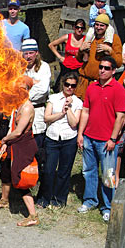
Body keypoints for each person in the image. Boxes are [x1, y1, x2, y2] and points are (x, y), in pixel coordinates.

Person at [77, 56, 125, 221]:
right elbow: (85, 111)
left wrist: (113, 139)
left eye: (106, 68)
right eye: (101, 67)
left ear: (113, 71)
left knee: (108, 174)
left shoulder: (118, 89)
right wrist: (80, 134)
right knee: (88, 171)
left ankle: (107, 206)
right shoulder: (92, 87)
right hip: (89, 137)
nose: (102, 70)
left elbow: (120, 117)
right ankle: (90, 200)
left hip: (107, 141)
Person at [0, 76, 39, 227]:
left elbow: (18, 132)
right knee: (5, 171)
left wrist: (4, 140)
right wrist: (6, 144)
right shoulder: (17, 105)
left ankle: (33, 216)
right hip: (14, 144)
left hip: (23, 145)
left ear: (28, 90)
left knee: (21, 179)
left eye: (23, 88)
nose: (19, 90)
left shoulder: (28, 107)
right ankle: (4, 200)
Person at [37, 72, 82, 208]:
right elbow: (47, 118)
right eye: (67, 84)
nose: (69, 88)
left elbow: (74, 123)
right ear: (63, 84)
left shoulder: (78, 102)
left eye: (72, 86)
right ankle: (44, 198)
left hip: (69, 139)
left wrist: (68, 109)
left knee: (64, 171)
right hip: (52, 138)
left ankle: (59, 200)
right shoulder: (53, 98)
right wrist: (61, 113)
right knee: (49, 170)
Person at [76, 13, 123, 100]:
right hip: (84, 82)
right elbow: (79, 60)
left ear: (107, 27)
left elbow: (119, 63)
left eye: (102, 25)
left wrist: (110, 50)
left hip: (100, 83)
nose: (98, 27)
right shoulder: (90, 37)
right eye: (96, 25)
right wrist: (80, 50)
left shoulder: (114, 39)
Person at [48, 19, 85, 92]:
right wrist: (60, 57)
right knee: (59, 88)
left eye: (81, 28)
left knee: (77, 90)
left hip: (78, 67)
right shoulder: (67, 37)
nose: (79, 30)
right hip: (66, 66)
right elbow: (51, 45)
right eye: (77, 27)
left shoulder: (85, 39)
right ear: (74, 28)